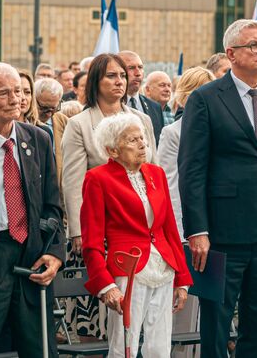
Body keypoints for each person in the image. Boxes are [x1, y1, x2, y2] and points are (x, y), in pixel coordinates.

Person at [178, 19, 257, 357]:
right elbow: (191, 169)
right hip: (221, 233)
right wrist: (198, 229)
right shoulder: (206, 99)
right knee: (217, 325)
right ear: (232, 53)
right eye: (255, 45)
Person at [61, 53, 157, 339]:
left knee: (136, 316)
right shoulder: (79, 124)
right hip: (97, 228)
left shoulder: (140, 119)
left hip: (137, 228)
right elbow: (73, 181)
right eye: (111, 76)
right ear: (95, 81)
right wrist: (78, 232)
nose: (119, 81)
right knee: (93, 317)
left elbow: (153, 173)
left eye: (122, 76)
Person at [81, 112, 192, 358]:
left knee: (160, 347)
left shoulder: (157, 173)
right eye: (132, 140)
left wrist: (182, 279)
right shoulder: (97, 179)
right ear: (112, 150)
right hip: (126, 271)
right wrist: (105, 284)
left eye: (142, 137)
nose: (142, 144)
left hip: (163, 267)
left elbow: (169, 229)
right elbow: (91, 240)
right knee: (123, 347)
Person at [0, 62, 65, 357]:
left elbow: (53, 205)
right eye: (4, 93)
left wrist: (55, 253)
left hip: (31, 254)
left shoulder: (38, 139)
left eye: (18, 91)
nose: (16, 99)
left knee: (39, 348)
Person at [156, 67, 214, 240]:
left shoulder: (223, 128)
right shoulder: (173, 132)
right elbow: (170, 184)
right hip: (189, 223)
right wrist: (181, 232)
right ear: (187, 96)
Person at [119, 51, 165, 147]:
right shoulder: (109, 106)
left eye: (140, 67)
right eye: (131, 68)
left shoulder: (155, 107)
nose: (138, 73)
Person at [36, 78, 70, 191]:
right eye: (44, 108)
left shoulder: (64, 122)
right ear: (34, 100)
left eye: (54, 108)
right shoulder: (24, 123)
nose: (49, 113)